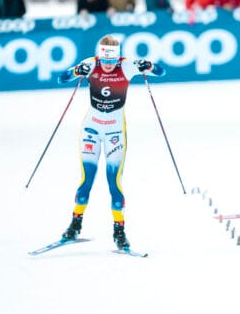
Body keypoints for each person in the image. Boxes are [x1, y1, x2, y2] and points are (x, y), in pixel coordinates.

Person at [56, 34, 164, 251]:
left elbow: (161, 72)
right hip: (91, 128)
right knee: (87, 179)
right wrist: (76, 71)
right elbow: (62, 78)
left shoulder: (127, 65)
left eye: (111, 62)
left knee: (114, 182)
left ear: (118, 58)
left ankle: (119, 230)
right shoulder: (90, 63)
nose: (107, 66)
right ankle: (75, 223)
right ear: (99, 57)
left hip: (115, 131)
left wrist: (149, 65)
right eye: (104, 61)